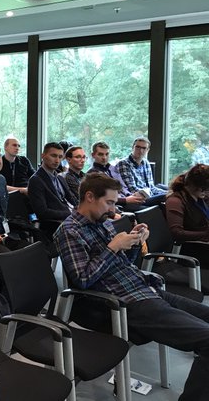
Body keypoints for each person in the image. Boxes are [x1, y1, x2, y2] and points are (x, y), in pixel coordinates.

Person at [54, 172, 209, 401]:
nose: (112, 210)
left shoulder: (101, 223)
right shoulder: (69, 231)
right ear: (89, 197)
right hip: (125, 302)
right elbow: (83, 279)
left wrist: (135, 242)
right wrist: (113, 248)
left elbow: (123, 264)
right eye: (109, 202)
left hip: (144, 289)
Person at [166, 164, 209, 266]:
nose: (207, 192)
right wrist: (206, 234)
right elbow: (177, 233)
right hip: (191, 249)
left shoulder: (201, 197)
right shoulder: (175, 201)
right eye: (205, 189)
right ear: (195, 186)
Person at [28, 142, 78, 223]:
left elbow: (73, 200)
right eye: (53, 156)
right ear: (43, 156)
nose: (57, 160)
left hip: (71, 218)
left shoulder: (60, 177)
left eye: (60, 157)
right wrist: (69, 213)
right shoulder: (35, 180)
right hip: (56, 223)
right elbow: (42, 212)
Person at [87, 141, 145, 210]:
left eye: (107, 154)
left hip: (127, 198)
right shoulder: (92, 174)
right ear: (93, 155)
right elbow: (102, 197)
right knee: (150, 211)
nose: (104, 157)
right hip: (116, 205)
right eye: (100, 154)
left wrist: (131, 195)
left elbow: (123, 187)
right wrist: (126, 200)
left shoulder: (112, 168)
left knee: (153, 205)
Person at [116, 137, 167, 203]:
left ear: (147, 150)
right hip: (136, 198)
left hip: (148, 194)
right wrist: (161, 194)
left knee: (169, 191)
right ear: (133, 148)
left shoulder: (146, 163)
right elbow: (132, 189)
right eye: (138, 147)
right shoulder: (124, 163)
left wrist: (166, 192)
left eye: (144, 148)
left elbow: (151, 187)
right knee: (167, 196)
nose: (140, 150)